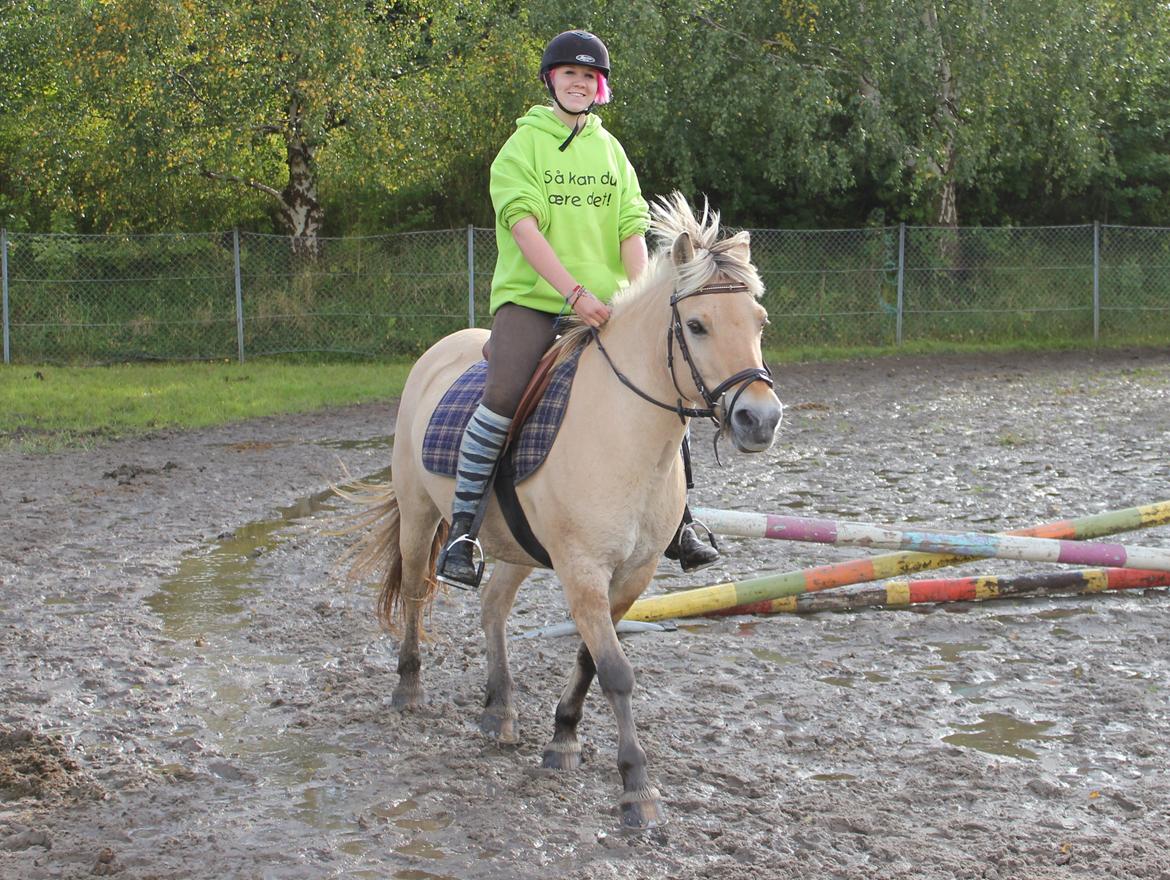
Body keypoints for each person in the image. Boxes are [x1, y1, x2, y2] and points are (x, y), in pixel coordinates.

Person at [436, 29, 719, 588]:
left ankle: (681, 522)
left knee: (674, 389)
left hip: (607, 306)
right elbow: (525, 230)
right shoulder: (522, 148)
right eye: (569, 73)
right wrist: (573, 295)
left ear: (600, 87)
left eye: (589, 76)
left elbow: (630, 229)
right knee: (502, 397)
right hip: (538, 302)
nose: (579, 82)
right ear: (551, 80)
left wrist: (638, 300)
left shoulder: (611, 151)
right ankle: (463, 534)